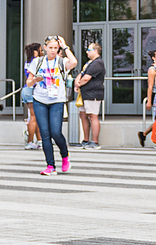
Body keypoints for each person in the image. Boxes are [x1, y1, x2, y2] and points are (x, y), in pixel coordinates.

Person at [24, 36, 75, 174]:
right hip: (40, 100)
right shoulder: (37, 62)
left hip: (57, 100)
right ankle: (50, 166)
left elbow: (74, 62)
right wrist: (35, 80)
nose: (53, 50)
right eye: (50, 48)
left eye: (55, 48)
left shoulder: (61, 61)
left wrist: (65, 46)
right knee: (45, 133)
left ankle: (65, 155)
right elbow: (28, 83)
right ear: (45, 48)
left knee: (55, 132)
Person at [75, 38, 107, 148]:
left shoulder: (98, 63)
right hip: (85, 94)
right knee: (83, 115)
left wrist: (78, 84)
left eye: (89, 50)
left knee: (93, 116)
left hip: (93, 94)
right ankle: (85, 140)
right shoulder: (90, 63)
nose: (87, 52)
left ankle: (95, 141)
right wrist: (77, 83)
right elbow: (82, 74)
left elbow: (86, 78)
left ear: (95, 51)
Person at [137, 48, 156, 147]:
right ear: (153, 58)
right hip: (155, 95)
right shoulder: (152, 70)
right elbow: (150, 86)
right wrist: (149, 101)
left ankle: (144, 134)